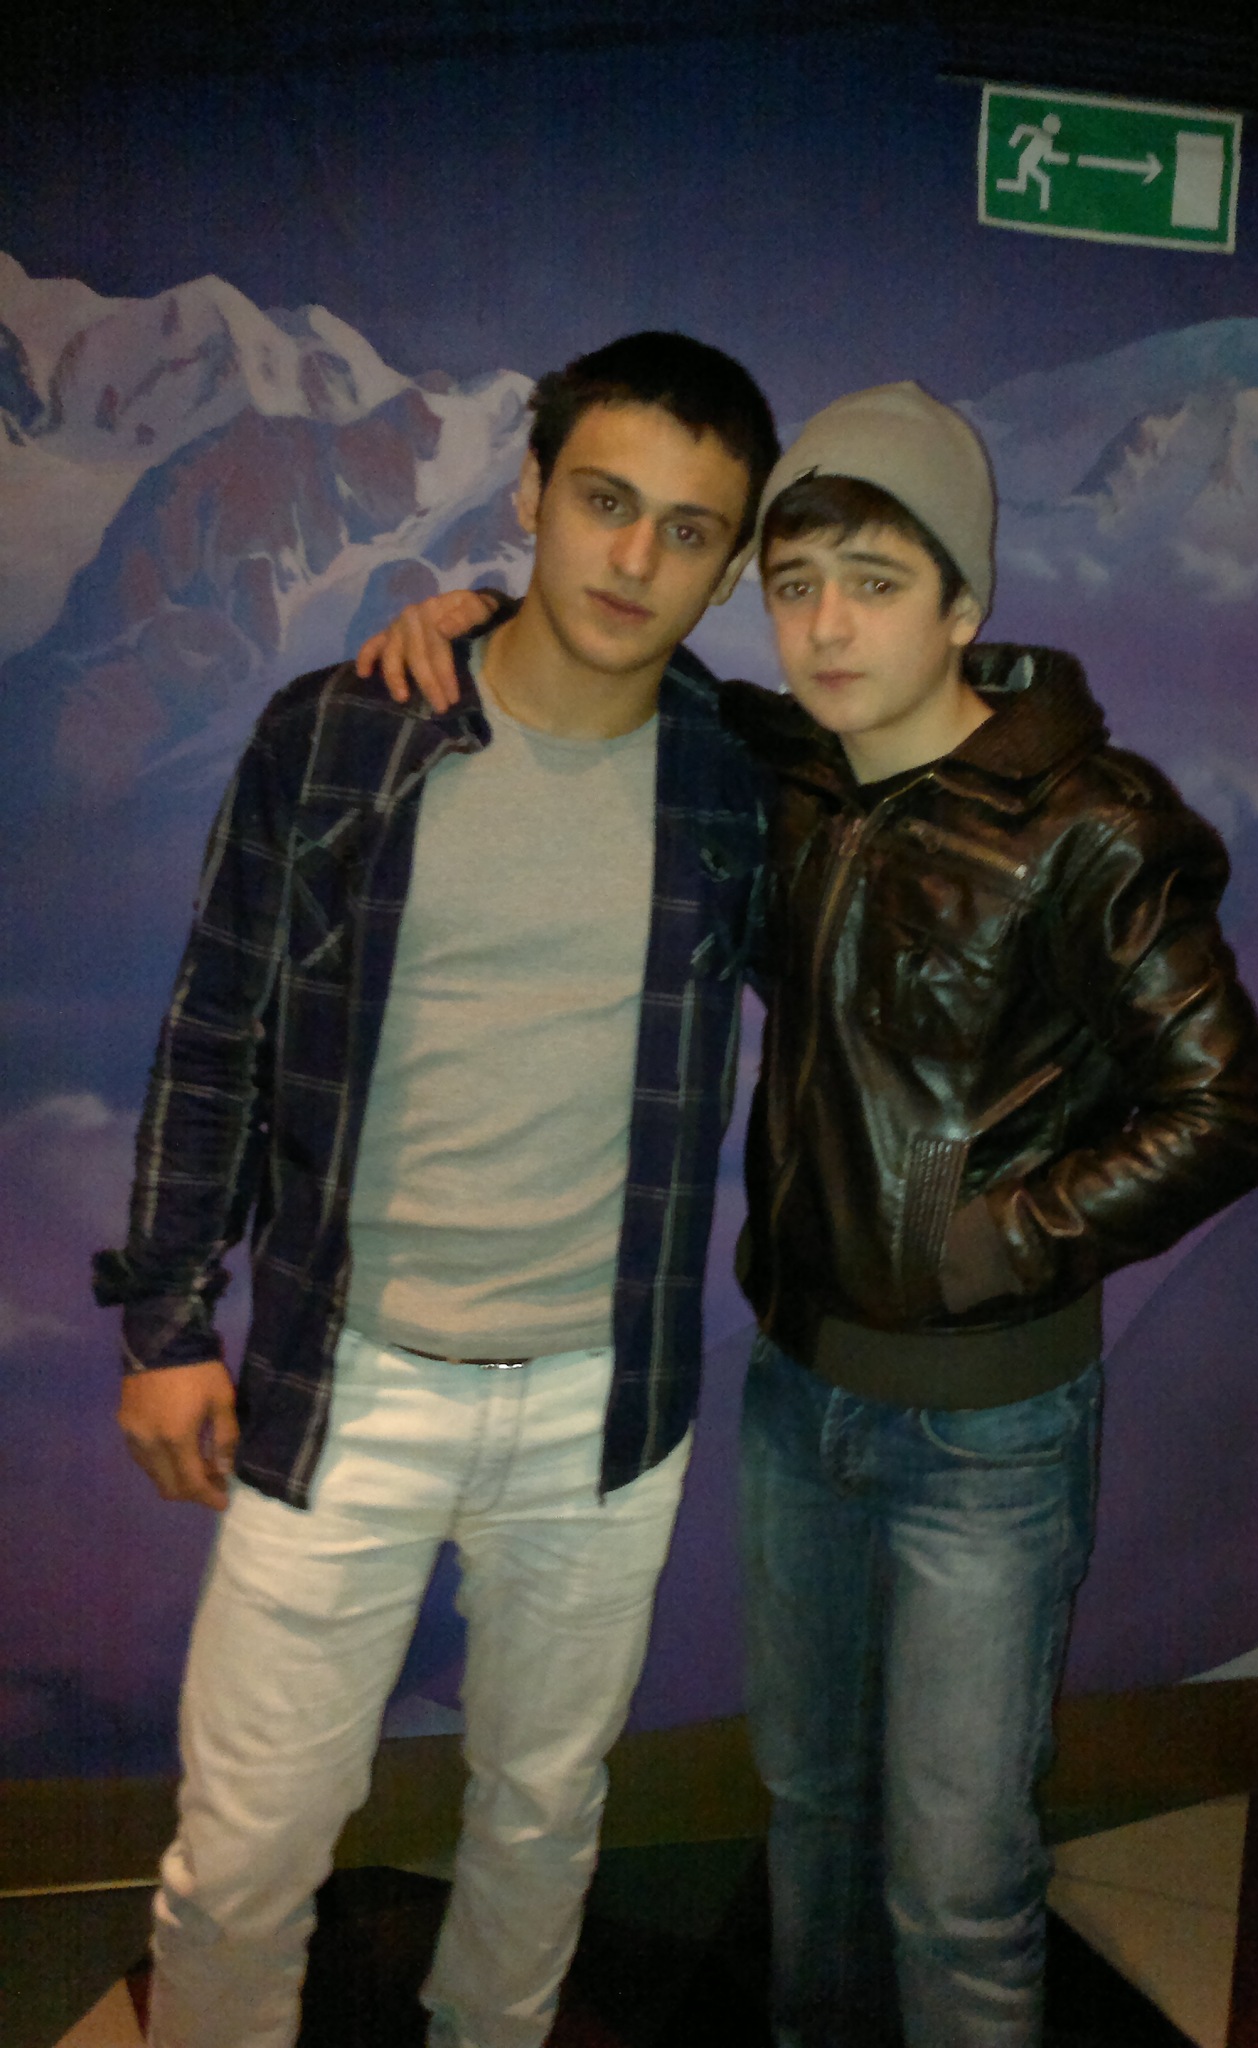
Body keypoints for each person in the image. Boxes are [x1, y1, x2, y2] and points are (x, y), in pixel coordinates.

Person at [369, 380, 1258, 2047]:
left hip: (990, 1436)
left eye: (876, 581)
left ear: (964, 603)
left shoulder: (1094, 828)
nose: (828, 626)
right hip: (800, 1402)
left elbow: (1226, 1112)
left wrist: (996, 1240)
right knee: (811, 1809)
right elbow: (630, 658)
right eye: (796, 585)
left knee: (958, 1876)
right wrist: (481, 612)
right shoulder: (789, 770)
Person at [92, 330, 780, 2048]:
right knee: (246, 1851)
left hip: (603, 1408)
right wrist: (167, 1321)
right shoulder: (342, 733)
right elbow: (216, 1033)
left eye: (690, 529)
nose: (635, 557)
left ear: (729, 565)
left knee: (543, 1816)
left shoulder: (737, 780)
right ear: (530, 494)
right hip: (348, 1386)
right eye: (605, 500)